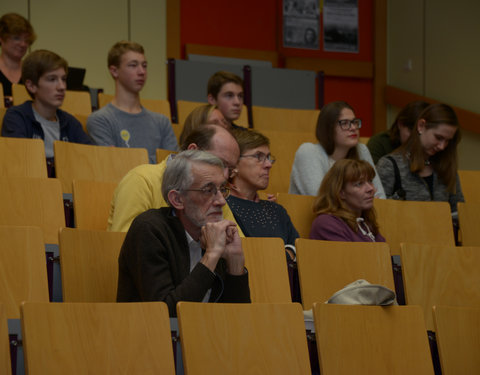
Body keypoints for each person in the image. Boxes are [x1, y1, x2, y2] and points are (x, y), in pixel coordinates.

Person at [117, 150, 251, 316]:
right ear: (177, 199)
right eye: (208, 190)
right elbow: (167, 314)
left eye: (222, 189)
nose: (221, 201)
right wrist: (211, 255)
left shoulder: (215, 232)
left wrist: (235, 261)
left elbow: (239, 319)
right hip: (151, 337)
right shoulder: (149, 229)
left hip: (208, 337)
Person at [108, 124, 241, 232]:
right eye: (220, 163)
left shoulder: (217, 193)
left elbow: (238, 241)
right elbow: (126, 244)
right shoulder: (141, 180)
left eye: (230, 169)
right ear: (193, 150)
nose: (224, 175)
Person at [87, 41, 177, 163]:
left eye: (144, 65)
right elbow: (112, 165)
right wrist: (157, 160)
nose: (142, 72)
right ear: (114, 71)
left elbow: (174, 166)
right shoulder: (100, 120)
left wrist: (128, 157)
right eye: (133, 65)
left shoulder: (162, 122)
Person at [1, 49, 93, 167]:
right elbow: (18, 162)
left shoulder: (71, 123)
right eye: (52, 79)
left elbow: (89, 159)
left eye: (63, 79)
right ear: (31, 86)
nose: (62, 87)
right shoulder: (17, 117)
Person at [376, 103, 464, 214]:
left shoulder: (446, 165)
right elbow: (379, 213)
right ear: (421, 126)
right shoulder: (390, 165)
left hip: (443, 230)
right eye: (438, 137)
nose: (442, 146)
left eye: (447, 141)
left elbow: (459, 212)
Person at [289, 101, 385, 198]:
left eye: (354, 122)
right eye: (345, 123)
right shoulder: (309, 152)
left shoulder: (361, 150)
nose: (353, 128)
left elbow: (380, 197)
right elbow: (322, 200)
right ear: (328, 128)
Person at [227, 128, 298, 258]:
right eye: (258, 157)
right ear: (234, 163)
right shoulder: (222, 206)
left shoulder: (277, 210)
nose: (268, 165)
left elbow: (298, 250)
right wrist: (285, 255)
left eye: (268, 158)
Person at [310, 159, 385, 242]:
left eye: (370, 181)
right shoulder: (327, 223)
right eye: (359, 184)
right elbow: (349, 255)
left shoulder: (366, 223)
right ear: (340, 192)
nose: (371, 189)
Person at [0, 13, 36, 102]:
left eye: (26, 40)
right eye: (17, 38)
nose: (23, 44)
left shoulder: (33, 73)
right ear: (1, 38)